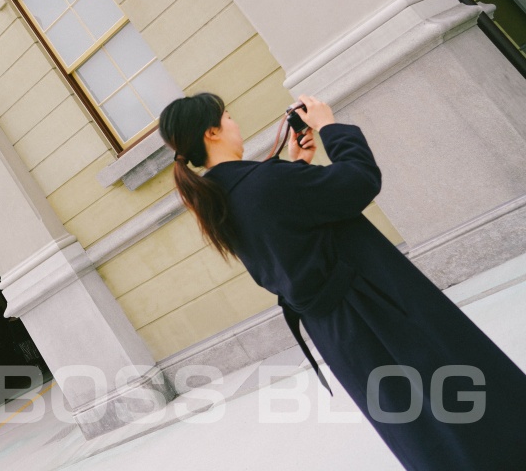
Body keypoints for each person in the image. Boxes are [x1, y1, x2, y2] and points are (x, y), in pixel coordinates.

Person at [158, 92, 526, 471]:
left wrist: (297, 166)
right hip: (376, 308)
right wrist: (330, 127)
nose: (236, 125)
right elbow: (360, 181)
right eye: (229, 118)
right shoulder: (267, 182)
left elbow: (286, 232)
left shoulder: (217, 200)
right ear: (212, 132)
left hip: (335, 330)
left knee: (414, 419)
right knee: (461, 394)